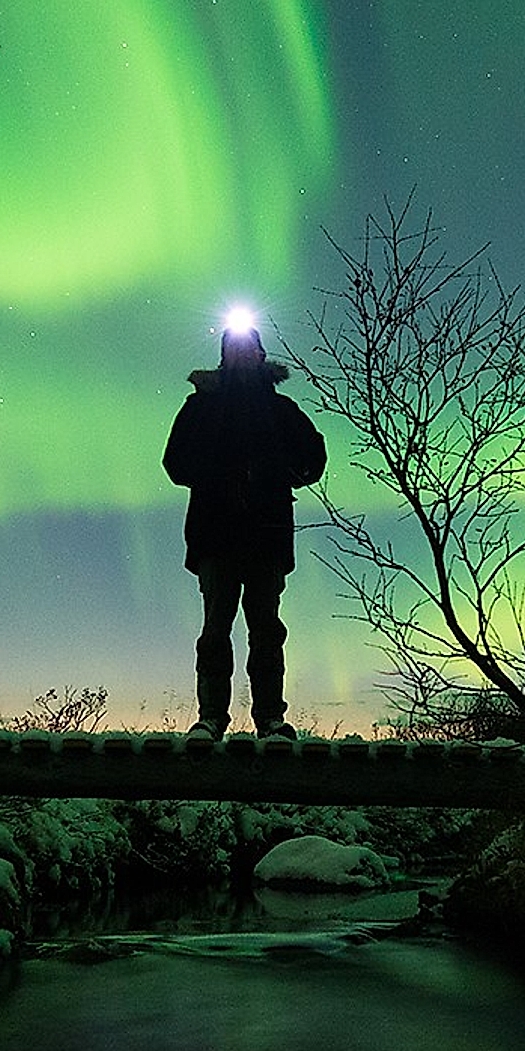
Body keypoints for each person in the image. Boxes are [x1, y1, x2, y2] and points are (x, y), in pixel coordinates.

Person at [163, 311, 326, 738]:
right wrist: (219, 476)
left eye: (246, 348)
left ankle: (270, 719)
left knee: (266, 632)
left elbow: (314, 458)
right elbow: (175, 462)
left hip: (266, 536)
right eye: (233, 349)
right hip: (216, 534)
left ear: (259, 355)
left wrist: (278, 477)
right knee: (216, 631)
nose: (240, 355)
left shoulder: (280, 409)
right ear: (225, 357)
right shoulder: (201, 407)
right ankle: (212, 717)